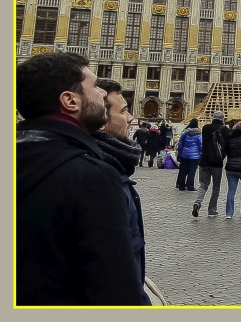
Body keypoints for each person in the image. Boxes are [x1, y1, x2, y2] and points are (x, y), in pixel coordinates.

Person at [16, 53, 147, 305]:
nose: (101, 93)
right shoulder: (92, 176)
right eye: (95, 86)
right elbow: (116, 292)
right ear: (70, 100)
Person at [93, 78, 151, 305]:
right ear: (100, 119)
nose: (131, 118)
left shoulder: (114, 167)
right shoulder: (102, 177)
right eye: (125, 111)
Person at [193, 111, 229, 217]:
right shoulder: (224, 130)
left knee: (203, 185)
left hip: (204, 161)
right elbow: (227, 146)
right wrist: (222, 156)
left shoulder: (205, 128)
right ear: (222, 119)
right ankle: (212, 210)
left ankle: (197, 202)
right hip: (217, 162)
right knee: (216, 187)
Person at [174, 119, 202, 191]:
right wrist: (201, 152)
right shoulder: (198, 134)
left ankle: (181, 185)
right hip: (195, 156)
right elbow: (200, 145)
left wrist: (180, 153)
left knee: (183, 170)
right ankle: (190, 185)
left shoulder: (184, 133)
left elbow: (180, 144)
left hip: (184, 154)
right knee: (192, 171)